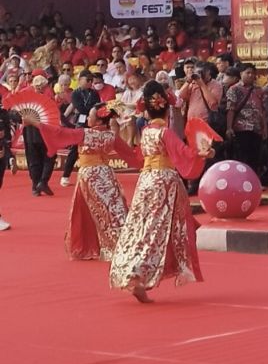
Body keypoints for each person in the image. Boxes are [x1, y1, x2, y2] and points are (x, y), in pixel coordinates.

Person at [109, 80, 205, 303]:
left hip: (146, 181)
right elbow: (184, 154)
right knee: (161, 229)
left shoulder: (146, 132)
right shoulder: (165, 132)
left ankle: (131, 265)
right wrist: (202, 153)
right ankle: (139, 272)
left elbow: (141, 157)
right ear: (166, 107)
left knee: (141, 226)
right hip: (165, 182)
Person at [28, 105, 140, 260]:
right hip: (107, 175)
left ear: (99, 119)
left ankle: (105, 245)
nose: (87, 118)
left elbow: (59, 133)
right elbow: (130, 155)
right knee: (112, 209)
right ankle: (121, 242)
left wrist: (36, 123)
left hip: (90, 176)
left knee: (92, 211)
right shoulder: (111, 136)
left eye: (91, 115)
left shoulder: (84, 133)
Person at [60, 70, 102, 186]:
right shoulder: (75, 94)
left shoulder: (94, 93)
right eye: (87, 80)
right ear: (80, 80)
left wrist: (93, 112)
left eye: (91, 80)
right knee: (74, 150)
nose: (90, 82)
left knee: (95, 147)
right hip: (81, 122)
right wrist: (91, 110)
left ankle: (95, 175)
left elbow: (98, 106)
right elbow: (81, 108)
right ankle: (65, 175)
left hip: (93, 122)